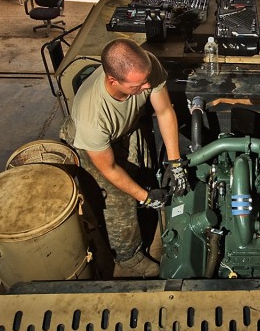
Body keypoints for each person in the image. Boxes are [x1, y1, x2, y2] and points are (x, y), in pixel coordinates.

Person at [61, 38, 187, 277]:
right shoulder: (92, 115)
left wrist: (176, 162)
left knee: (143, 172)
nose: (147, 85)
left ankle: (144, 210)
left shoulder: (145, 68)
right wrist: (146, 198)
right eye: (138, 85)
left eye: (147, 79)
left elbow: (164, 110)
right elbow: (109, 169)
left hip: (125, 127)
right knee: (119, 197)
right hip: (93, 146)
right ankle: (129, 258)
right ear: (113, 81)